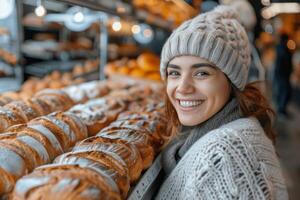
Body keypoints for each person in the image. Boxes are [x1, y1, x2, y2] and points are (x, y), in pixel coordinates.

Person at [155, 5, 288, 199]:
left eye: (201, 73)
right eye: (174, 73)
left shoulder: (225, 156)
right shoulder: (232, 129)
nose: (182, 88)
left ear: (232, 81)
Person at [273, 33, 293, 117]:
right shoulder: (283, 49)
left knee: (282, 91)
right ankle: (281, 110)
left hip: (281, 74)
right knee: (284, 92)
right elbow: (284, 62)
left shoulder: (280, 48)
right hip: (282, 74)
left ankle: (281, 109)